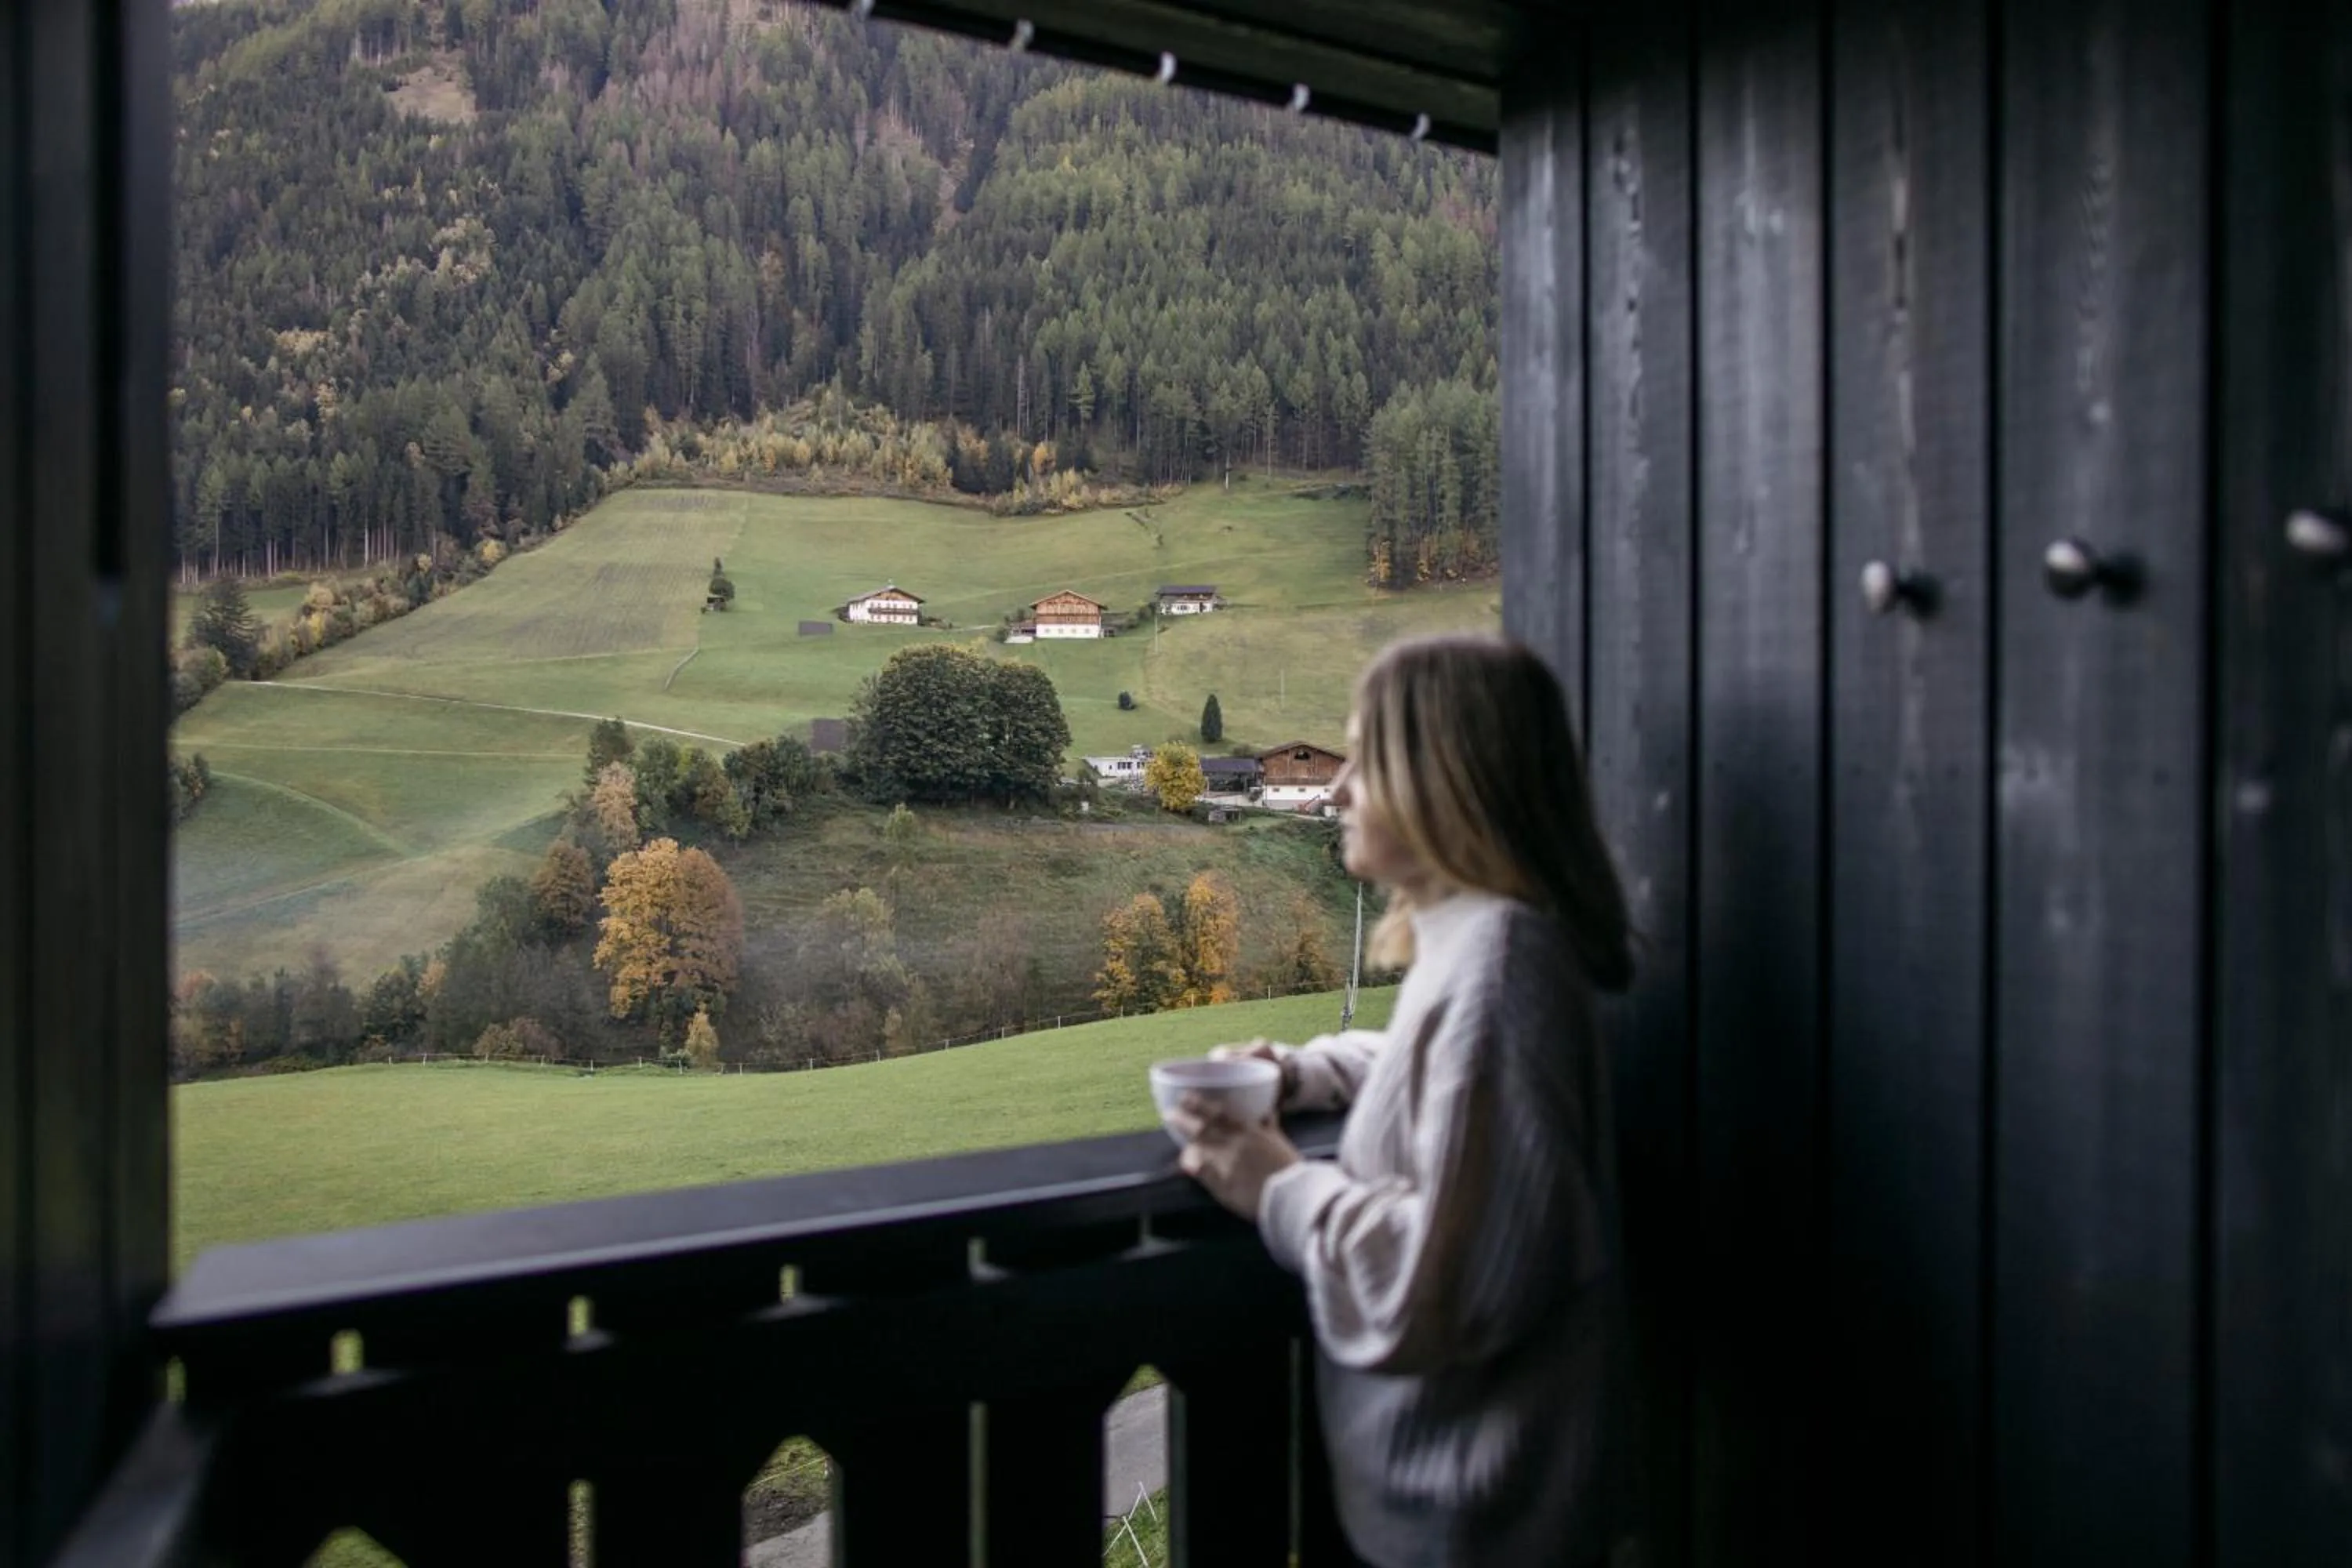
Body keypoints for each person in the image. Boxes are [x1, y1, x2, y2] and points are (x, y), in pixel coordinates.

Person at [1164, 633, 1639, 1568]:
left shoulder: (1503, 966)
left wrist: (1277, 1185)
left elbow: (1441, 1285)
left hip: (1483, 1527)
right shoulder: (1482, 942)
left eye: (1364, 759)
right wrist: (1305, 1073)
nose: (1337, 789)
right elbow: (1449, 1075)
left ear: (1447, 779)